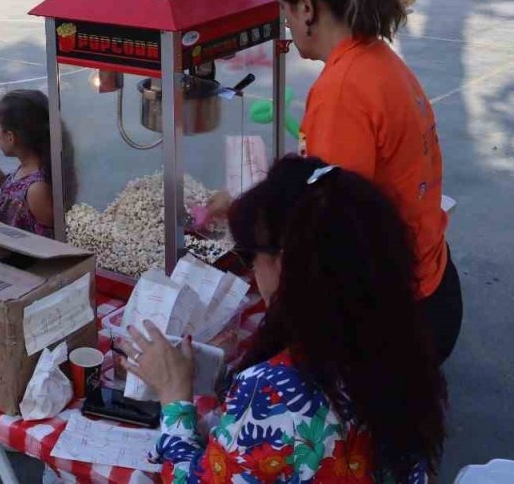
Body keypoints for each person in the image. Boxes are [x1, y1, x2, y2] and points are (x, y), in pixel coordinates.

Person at [122, 156, 446, 484]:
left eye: (250, 256)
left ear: (289, 265)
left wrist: (174, 395)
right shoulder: (396, 341)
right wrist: (226, 380)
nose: (251, 271)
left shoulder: (276, 391)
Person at [271, 0, 461, 362]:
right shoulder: (375, 56)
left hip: (399, 311)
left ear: (306, 7)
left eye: (285, 11)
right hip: (433, 278)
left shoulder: (342, 90)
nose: (285, 24)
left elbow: (334, 230)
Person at [0, 89, 75, 236]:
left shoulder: (37, 190)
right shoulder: (29, 168)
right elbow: (11, 198)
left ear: (10, 136)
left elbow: (50, 241)